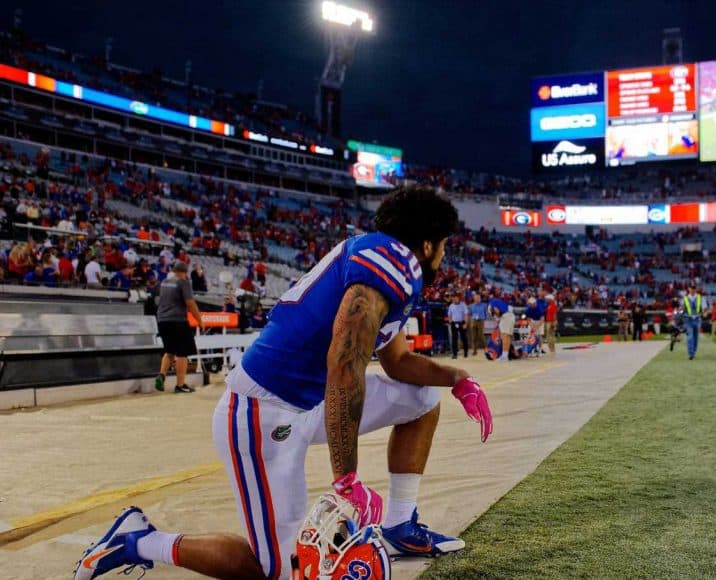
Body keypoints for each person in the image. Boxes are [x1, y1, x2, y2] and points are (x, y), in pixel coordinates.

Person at [76, 187, 492, 580]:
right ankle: (139, 541)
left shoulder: (386, 263)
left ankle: (399, 523)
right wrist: (346, 477)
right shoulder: (393, 261)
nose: (444, 254)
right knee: (273, 569)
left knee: (421, 397)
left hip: (308, 403)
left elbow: (398, 363)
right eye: (443, 245)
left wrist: (458, 378)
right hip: (264, 412)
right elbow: (344, 366)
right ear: (427, 243)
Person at [154, 261, 204, 394]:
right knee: (182, 353)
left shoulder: (164, 282)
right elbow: (190, 303)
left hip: (162, 320)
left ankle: (162, 374)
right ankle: (180, 384)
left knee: (169, 351)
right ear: (185, 272)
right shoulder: (183, 282)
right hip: (178, 320)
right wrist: (200, 320)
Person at [682, 284, 704, 360]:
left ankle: (693, 352)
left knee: (696, 337)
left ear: (696, 289)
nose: (692, 290)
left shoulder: (700, 297)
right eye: (691, 288)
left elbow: (704, 308)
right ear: (688, 289)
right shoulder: (685, 298)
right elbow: (682, 310)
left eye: (694, 288)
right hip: (688, 320)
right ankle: (690, 354)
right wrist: (684, 315)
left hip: (697, 319)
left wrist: (702, 313)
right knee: (690, 336)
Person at [447, 293, 469, 359]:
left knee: (464, 338)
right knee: (454, 339)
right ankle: (454, 354)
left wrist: (466, 323)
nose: (454, 299)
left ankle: (465, 352)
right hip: (454, 323)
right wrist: (450, 321)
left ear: (458, 298)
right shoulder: (451, 306)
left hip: (462, 322)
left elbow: (466, 314)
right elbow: (449, 314)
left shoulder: (463, 305)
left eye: (456, 298)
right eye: (453, 298)